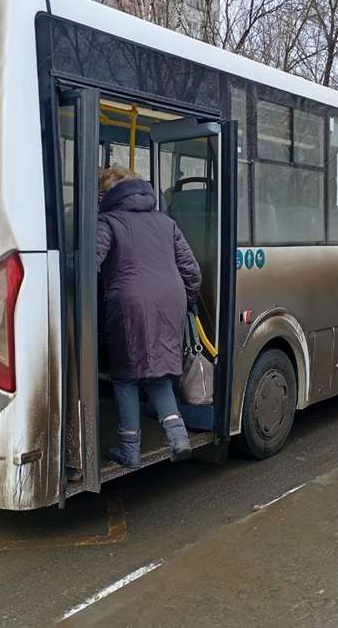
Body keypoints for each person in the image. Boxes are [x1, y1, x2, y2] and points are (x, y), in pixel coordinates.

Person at [96, 166, 202, 468]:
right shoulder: (165, 222)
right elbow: (192, 271)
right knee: (156, 371)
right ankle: (178, 435)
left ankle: (130, 449)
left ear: (107, 194)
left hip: (131, 302)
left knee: (126, 375)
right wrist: (189, 302)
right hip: (172, 300)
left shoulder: (109, 221)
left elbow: (91, 261)